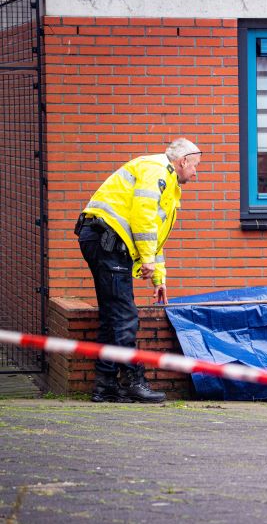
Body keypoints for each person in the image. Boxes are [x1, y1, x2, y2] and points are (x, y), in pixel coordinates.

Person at [75, 138, 201, 402]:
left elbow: (155, 235)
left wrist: (158, 277)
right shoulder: (157, 171)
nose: (196, 173)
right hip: (107, 239)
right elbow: (143, 217)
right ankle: (135, 382)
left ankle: (105, 387)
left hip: (102, 239)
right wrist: (146, 259)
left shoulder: (165, 182)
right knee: (124, 315)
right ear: (184, 161)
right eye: (195, 166)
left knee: (113, 316)